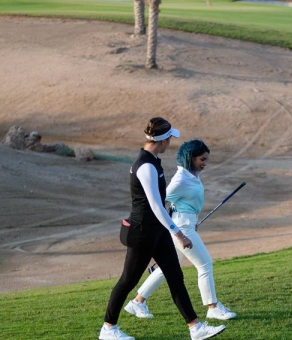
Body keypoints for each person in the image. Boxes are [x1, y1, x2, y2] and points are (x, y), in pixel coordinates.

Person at [99, 118, 225, 340]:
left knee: (175, 276)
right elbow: (156, 205)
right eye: (170, 138)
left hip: (156, 231)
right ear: (163, 140)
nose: (171, 142)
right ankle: (108, 328)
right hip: (142, 232)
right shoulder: (146, 165)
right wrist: (178, 233)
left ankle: (195, 327)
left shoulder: (153, 161)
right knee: (127, 280)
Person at [124, 139, 236, 321]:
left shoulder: (192, 175)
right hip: (181, 227)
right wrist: (173, 224)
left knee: (166, 268)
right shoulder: (180, 180)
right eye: (202, 159)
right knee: (205, 264)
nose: (205, 163)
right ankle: (213, 307)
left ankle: (137, 302)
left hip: (188, 224)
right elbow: (159, 201)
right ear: (190, 158)